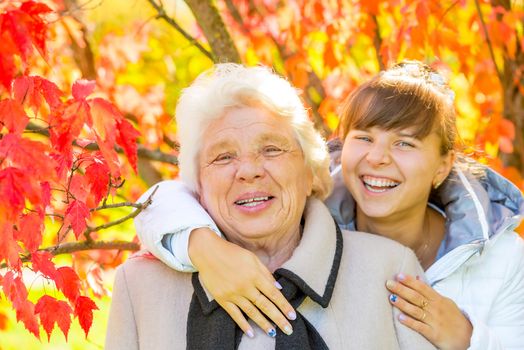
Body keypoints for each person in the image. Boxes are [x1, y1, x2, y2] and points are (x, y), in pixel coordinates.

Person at [134, 60, 524, 349]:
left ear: (442, 165)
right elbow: (163, 199)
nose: (378, 159)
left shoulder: (501, 258)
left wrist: (469, 339)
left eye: (404, 143)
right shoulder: (308, 203)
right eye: (364, 138)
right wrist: (204, 246)